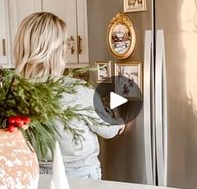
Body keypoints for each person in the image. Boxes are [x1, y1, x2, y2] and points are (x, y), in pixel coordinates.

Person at [14, 12, 125, 179]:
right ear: (56, 50)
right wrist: (119, 124)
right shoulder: (76, 90)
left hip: (34, 174)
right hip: (79, 174)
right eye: (65, 43)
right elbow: (107, 130)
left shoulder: (14, 92)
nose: (68, 47)